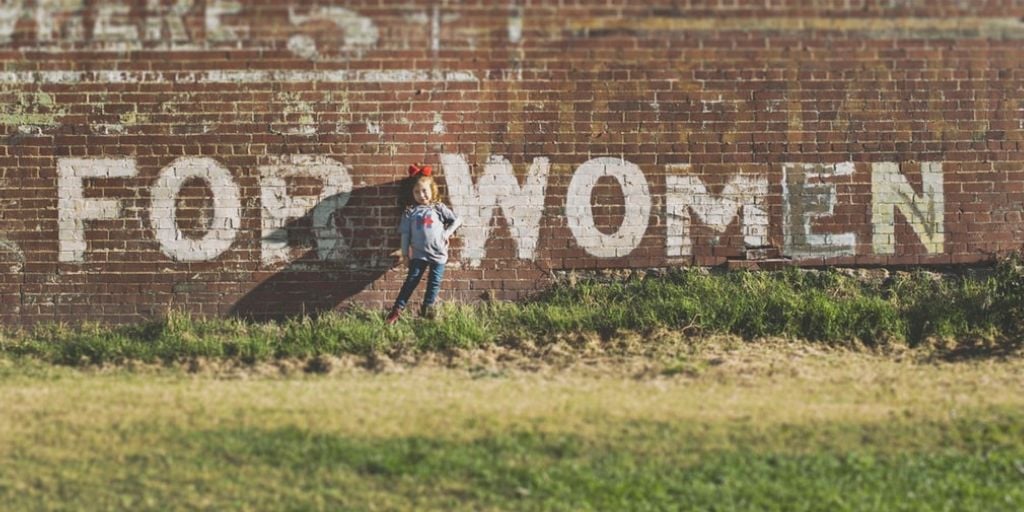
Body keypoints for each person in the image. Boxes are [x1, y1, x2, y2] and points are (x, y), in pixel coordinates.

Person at [386, 163, 462, 324]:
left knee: (434, 283)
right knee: (411, 282)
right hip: (418, 254)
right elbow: (405, 234)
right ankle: (396, 311)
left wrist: (446, 233)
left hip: (439, 253)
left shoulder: (438, 208)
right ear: (412, 193)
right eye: (416, 192)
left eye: (424, 191)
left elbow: (457, 220)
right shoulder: (410, 211)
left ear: (432, 190)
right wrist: (405, 253)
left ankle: (427, 311)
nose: (421, 195)